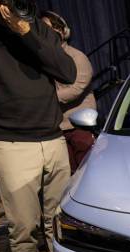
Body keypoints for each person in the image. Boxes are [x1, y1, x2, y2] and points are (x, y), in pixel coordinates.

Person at [0, 1, 76, 252]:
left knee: (58, 221)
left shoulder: (38, 29)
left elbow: (67, 72)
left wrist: (25, 31)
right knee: (24, 224)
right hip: (8, 142)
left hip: (52, 138)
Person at [40, 10, 97, 174]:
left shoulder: (77, 56)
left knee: (87, 172)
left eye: (54, 28)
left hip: (80, 126)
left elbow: (77, 88)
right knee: (68, 175)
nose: (50, 32)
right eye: (45, 28)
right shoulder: (43, 59)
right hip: (57, 127)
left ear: (63, 31)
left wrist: (45, 99)